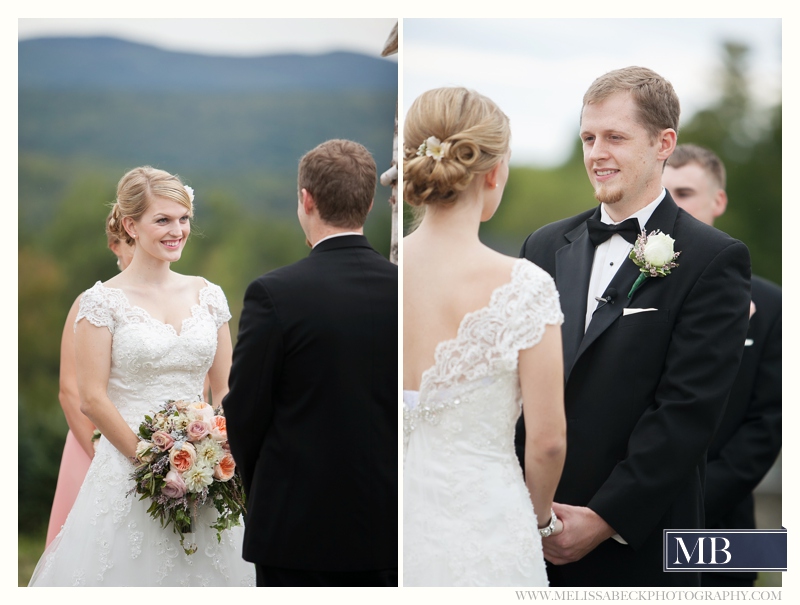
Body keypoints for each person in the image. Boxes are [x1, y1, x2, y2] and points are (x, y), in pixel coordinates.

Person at [517, 66, 751, 587]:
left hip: (639, 543)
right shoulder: (544, 245)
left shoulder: (714, 259)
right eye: (588, 137)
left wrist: (605, 520)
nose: (597, 153)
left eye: (615, 137)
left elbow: (688, 410)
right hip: (525, 537)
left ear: (664, 143)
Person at [29, 166, 255, 586]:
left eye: (183, 218)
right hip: (127, 471)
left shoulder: (208, 294)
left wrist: (214, 452)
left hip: (203, 473)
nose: (178, 231)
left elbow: (225, 387)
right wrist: (152, 463)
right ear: (130, 225)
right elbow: (90, 398)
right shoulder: (101, 303)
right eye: (163, 220)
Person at [403, 87, 567, 587]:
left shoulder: (375, 273)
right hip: (488, 531)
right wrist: (539, 522)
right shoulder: (525, 287)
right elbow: (547, 443)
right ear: (494, 172)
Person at [223, 139, 398, 587]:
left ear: (306, 199)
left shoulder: (274, 294)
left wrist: (260, 483)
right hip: (393, 527)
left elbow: (244, 410)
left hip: (296, 528)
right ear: (370, 200)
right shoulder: (408, 288)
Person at [663, 144, 781, 588]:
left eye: (685, 193)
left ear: (718, 201)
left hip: (725, 526)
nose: (672, 206)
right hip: (621, 520)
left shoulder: (774, 306)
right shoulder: (629, 288)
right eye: (663, 194)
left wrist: (683, 506)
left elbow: (768, 424)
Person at [45, 212, 136, 547]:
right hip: (94, 442)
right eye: (131, 244)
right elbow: (70, 390)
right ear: (116, 245)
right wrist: (100, 452)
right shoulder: (90, 303)